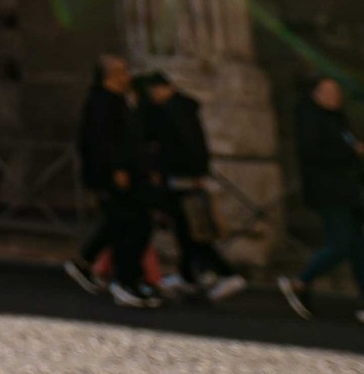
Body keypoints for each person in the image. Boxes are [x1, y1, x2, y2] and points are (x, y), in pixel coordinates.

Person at [277, 75, 364, 326]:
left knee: (358, 248)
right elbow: (316, 154)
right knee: (341, 244)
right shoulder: (311, 119)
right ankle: (300, 282)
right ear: (316, 94)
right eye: (328, 91)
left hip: (349, 191)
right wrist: (351, 151)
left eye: (336, 91)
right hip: (331, 192)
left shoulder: (337, 118)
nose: (335, 96)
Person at [140, 69, 244, 301]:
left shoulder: (171, 112)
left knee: (193, 232)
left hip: (181, 179)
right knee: (186, 231)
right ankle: (188, 276)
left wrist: (164, 168)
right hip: (186, 178)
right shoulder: (182, 109)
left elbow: (179, 147)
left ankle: (227, 274)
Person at [67, 56, 157, 307]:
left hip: (131, 174)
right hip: (113, 178)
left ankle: (97, 266)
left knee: (132, 225)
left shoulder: (121, 100)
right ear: (109, 76)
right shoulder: (100, 103)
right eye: (122, 71)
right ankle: (125, 282)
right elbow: (101, 142)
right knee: (129, 227)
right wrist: (116, 169)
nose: (127, 75)